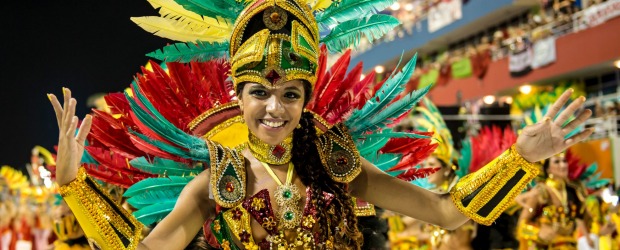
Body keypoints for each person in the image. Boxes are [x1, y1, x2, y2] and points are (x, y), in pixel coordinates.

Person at [47, 0, 593, 249]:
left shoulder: (339, 167)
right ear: (237, 98)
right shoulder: (215, 184)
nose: (274, 109)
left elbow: (447, 213)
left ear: (306, 100)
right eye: (259, 93)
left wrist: (520, 159)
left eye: (289, 95)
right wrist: (75, 188)